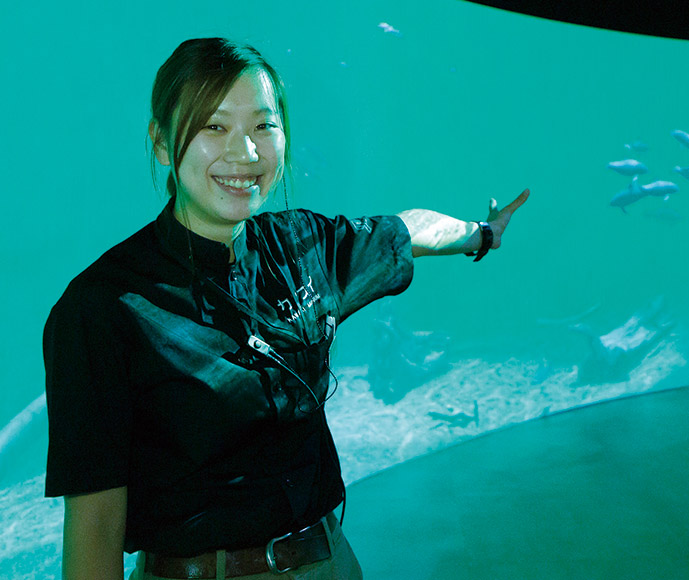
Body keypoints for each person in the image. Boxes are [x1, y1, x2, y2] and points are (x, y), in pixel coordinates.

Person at [42, 37, 529, 580]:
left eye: (263, 126)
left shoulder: (304, 245)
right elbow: (94, 525)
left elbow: (405, 230)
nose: (245, 154)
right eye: (214, 126)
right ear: (160, 142)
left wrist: (480, 234)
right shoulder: (103, 308)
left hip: (327, 560)